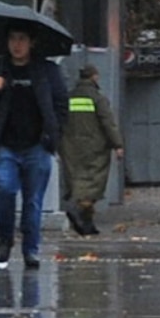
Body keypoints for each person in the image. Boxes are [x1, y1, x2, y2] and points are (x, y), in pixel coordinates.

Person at [0, 23, 69, 270]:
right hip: (6, 145)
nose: (17, 45)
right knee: (4, 191)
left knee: (33, 201)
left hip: (37, 145)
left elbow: (61, 106)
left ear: (31, 42)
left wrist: (52, 137)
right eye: (13, 39)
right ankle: (4, 240)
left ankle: (31, 249)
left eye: (22, 39)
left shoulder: (47, 71)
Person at [60, 64, 124, 236]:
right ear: (94, 77)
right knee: (92, 184)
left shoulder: (69, 97)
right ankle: (77, 211)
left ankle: (87, 225)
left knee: (77, 180)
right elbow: (108, 123)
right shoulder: (97, 98)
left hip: (70, 146)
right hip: (95, 147)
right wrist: (117, 144)